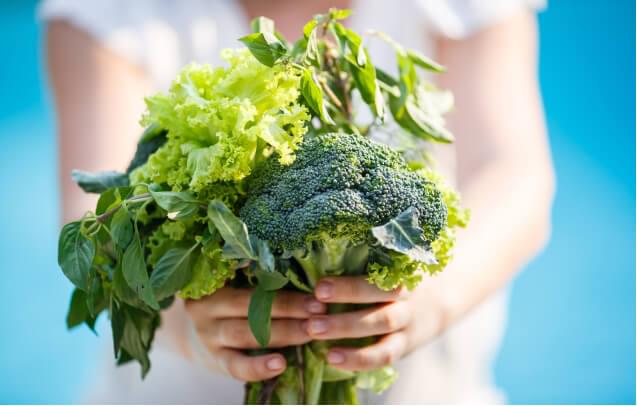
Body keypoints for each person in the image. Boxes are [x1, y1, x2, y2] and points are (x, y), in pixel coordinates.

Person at [42, 0, 555, 403]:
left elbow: (516, 176)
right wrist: (183, 324)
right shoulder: (107, 10)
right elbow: (95, 215)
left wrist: (428, 301)